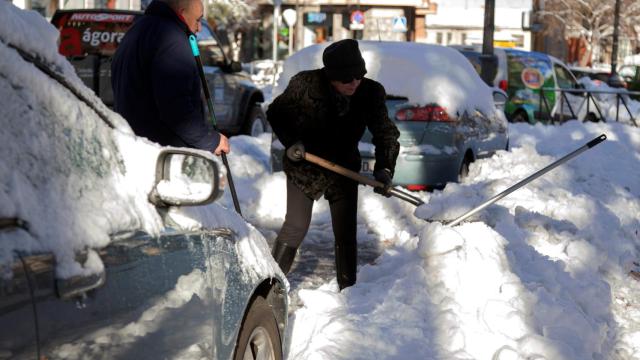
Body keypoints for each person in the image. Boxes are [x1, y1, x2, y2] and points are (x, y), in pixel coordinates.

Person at [267, 39, 400, 290]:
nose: (354, 84)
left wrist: (385, 169)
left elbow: (386, 134)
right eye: (347, 79)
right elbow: (276, 112)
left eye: (358, 77)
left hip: (344, 168)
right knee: (296, 226)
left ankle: (348, 290)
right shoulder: (305, 84)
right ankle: (269, 286)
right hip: (304, 165)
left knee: (346, 232)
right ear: (331, 76)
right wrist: (291, 141)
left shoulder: (370, 92)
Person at [111, 0, 229, 155]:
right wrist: (210, 140)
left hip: (135, 147)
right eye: (198, 20)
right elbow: (176, 107)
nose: (199, 28)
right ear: (182, 12)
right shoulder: (172, 40)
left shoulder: (136, 30)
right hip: (165, 155)